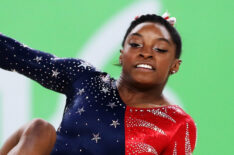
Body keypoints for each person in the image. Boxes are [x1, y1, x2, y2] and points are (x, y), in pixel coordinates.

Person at [0, 13, 197, 155]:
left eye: (160, 48)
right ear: (122, 55)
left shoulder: (178, 124)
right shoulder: (88, 80)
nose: (146, 53)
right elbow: (16, 54)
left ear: (175, 65)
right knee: (39, 129)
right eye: (136, 44)